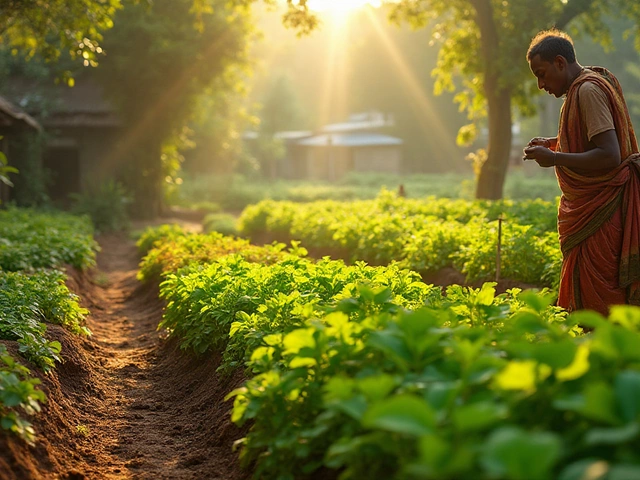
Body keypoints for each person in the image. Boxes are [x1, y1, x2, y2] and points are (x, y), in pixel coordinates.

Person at [523, 29, 640, 316]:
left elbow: (609, 155)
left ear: (560, 63)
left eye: (542, 74)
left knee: (600, 300)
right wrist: (553, 142)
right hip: (600, 207)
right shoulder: (591, 83)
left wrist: (554, 158)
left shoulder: (587, 90)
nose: (540, 84)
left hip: (603, 208)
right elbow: (591, 137)